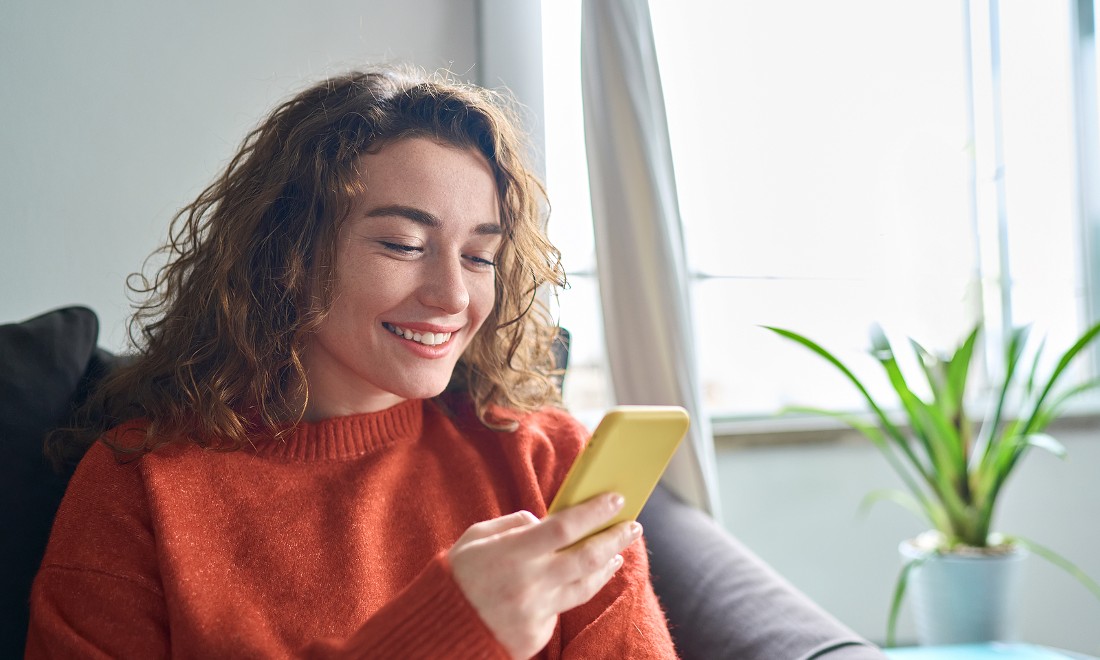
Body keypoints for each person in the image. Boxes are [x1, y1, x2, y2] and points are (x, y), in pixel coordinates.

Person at [26, 65, 677, 659]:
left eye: (480, 257)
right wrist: (445, 630)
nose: (452, 295)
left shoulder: (544, 459)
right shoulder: (138, 483)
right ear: (289, 255)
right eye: (403, 244)